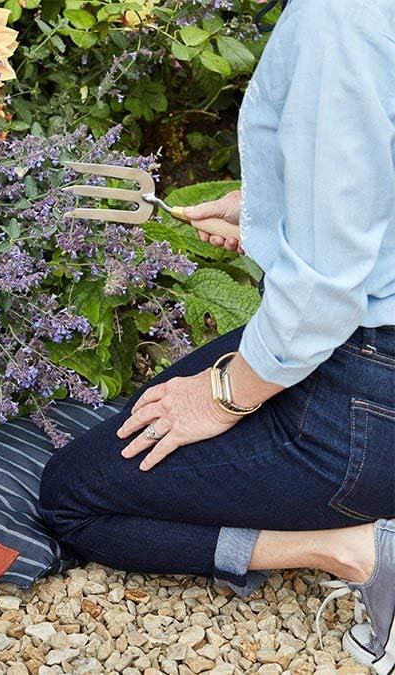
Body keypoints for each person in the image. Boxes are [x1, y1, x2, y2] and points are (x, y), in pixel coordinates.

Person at [38, 1, 394, 671]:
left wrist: (224, 395)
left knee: (76, 495)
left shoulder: (342, 19)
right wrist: (268, 213)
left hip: (371, 392)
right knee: (145, 410)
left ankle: (360, 549)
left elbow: (325, 288)